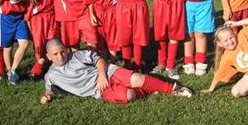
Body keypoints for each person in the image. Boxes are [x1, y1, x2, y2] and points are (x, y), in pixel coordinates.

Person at [39, 39, 192, 105]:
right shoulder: (51, 75)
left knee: (137, 79)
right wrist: (47, 96)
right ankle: (148, 89)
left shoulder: (77, 55)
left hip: (107, 73)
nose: (60, 56)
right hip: (99, 90)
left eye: (62, 51)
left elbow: (99, 60)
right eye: (55, 54)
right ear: (48, 56)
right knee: (129, 95)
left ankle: (173, 89)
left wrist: (101, 75)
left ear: (66, 49)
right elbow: (50, 90)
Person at [24, 0, 59, 80]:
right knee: (39, 43)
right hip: (37, 20)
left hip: (51, 17)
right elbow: (29, 6)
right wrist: (28, 20)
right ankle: (40, 65)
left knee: (52, 41)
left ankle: (48, 66)